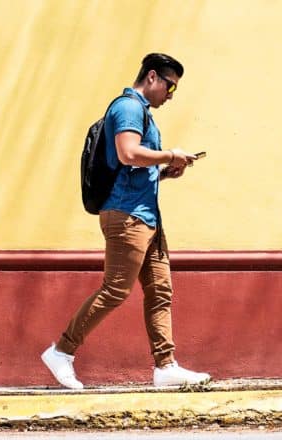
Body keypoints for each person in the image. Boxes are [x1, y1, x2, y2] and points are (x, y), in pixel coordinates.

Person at [41, 53, 209, 389]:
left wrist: (162, 174)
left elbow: (132, 169)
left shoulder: (143, 113)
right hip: (127, 218)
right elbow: (128, 153)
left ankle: (165, 366)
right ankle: (61, 351)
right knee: (116, 289)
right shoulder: (128, 107)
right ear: (151, 77)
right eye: (170, 87)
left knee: (160, 291)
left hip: (146, 217)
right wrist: (172, 155)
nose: (170, 96)